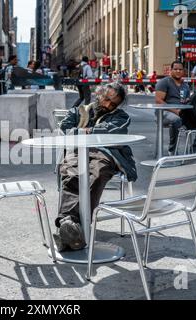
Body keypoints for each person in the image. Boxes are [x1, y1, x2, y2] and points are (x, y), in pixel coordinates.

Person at [53, 83, 137, 252]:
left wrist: (84, 131)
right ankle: (71, 228)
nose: (107, 105)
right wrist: (91, 131)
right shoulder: (79, 111)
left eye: (113, 103)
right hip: (77, 152)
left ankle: (69, 226)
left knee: (97, 174)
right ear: (98, 94)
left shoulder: (121, 116)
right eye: (105, 99)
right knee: (70, 173)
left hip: (106, 153)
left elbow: (112, 132)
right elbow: (65, 129)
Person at [155, 61, 196, 155]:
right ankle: (172, 149)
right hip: (164, 113)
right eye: (175, 69)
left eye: (180, 69)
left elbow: (185, 100)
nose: (178, 71)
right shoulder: (164, 82)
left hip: (181, 113)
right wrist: (176, 111)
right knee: (176, 120)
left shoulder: (185, 85)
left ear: (183, 71)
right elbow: (159, 101)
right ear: (171, 70)